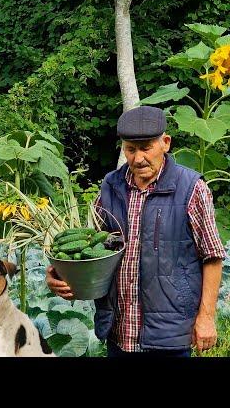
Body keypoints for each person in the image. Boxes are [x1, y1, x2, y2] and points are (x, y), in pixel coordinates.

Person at [46, 106, 227, 357]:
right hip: (119, 333)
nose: (138, 158)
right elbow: (91, 246)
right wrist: (60, 274)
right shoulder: (111, 186)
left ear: (165, 143)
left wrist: (206, 317)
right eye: (130, 149)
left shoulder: (191, 188)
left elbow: (212, 256)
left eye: (146, 148)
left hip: (169, 337)